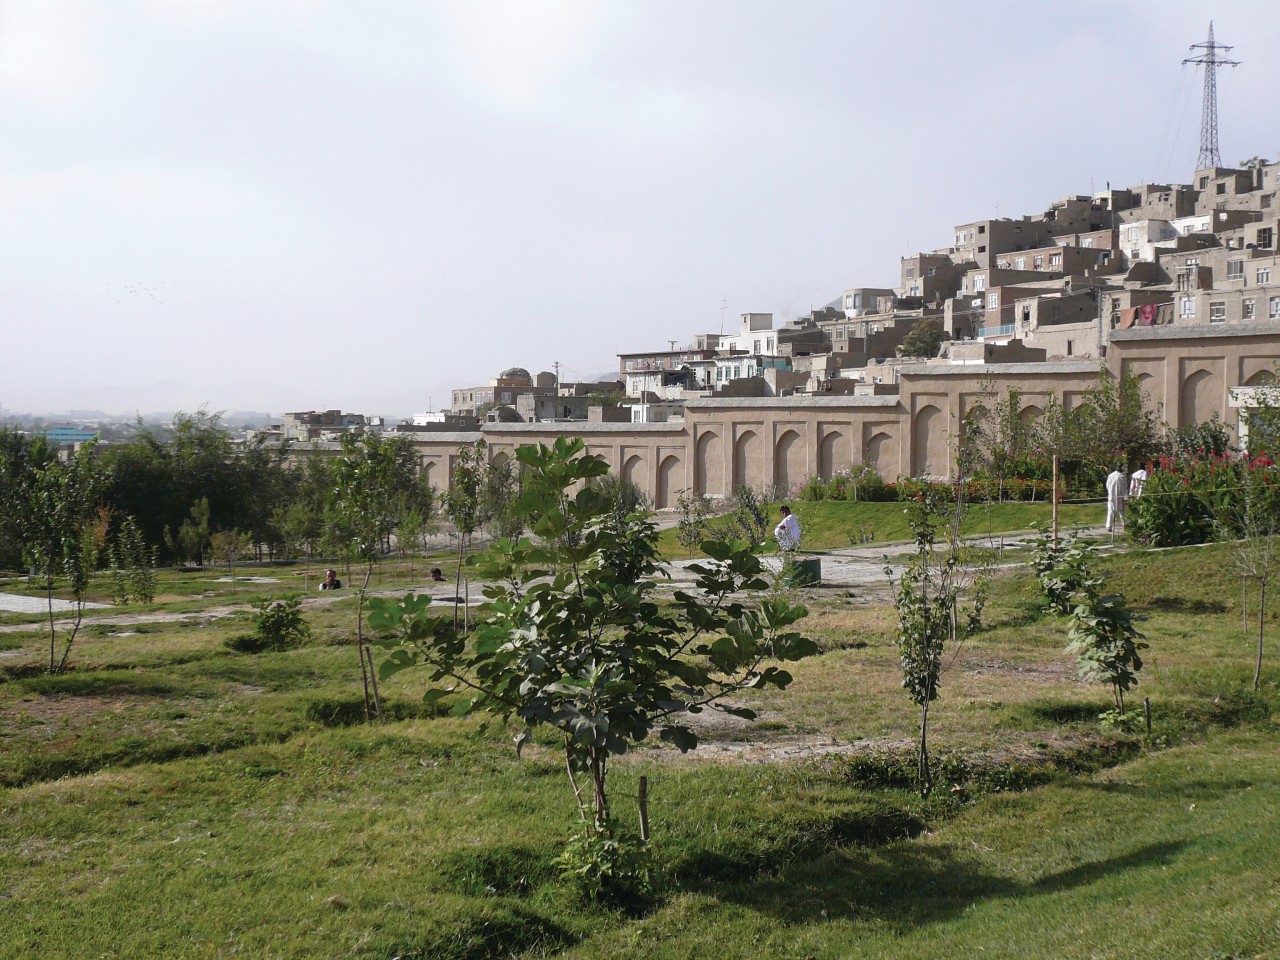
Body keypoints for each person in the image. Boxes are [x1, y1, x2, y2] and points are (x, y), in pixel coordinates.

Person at [1105, 467, 1129, 532]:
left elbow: (1107, 485)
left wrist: (1110, 492)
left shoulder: (1110, 476)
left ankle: (1109, 526)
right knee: (1122, 511)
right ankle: (1125, 524)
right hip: (1119, 496)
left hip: (1112, 496)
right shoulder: (1122, 476)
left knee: (1111, 511)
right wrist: (1125, 497)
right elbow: (1124, 487)